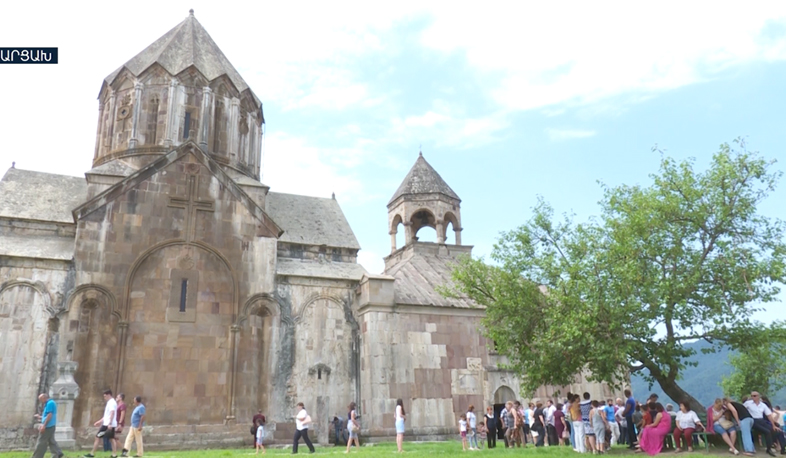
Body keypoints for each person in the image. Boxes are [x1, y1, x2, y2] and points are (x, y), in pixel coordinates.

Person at [85, 389, 118, 458]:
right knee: (111, 438)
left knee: (98, 437)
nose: (104, 397)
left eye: (105, 396)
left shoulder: (112, 402)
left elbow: (112, 413)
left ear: (109, 395)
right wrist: (99, 421)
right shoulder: (110, 402)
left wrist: (109, 423)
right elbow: (107, 415)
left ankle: (92, 453)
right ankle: (114, 454)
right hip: (107, 423)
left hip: (107, 425)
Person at [744, 392, 777, 457]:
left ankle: (772, 445)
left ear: (758, 397)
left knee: (773, 430)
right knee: (767, 431)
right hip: (754, 420)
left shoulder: (763, 405)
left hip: (761, 420)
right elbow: (741, 409)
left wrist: (773, 425)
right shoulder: (748, 403)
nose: (753, 397)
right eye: (752, 396)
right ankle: (769, 449)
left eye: (755, 396)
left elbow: (769, 415)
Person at [32, 393, 63, 458]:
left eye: (41, 399)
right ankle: (58, 453)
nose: (41, 401)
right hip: (50, 425)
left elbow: (49, 415)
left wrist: (44, 425)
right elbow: (46, 415)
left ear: (44, 398)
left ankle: (37, 456)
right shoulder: (49, 403)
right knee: (51, 441)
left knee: (41, 441)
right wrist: (40, 417)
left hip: (48, 426)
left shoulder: (50, 403)